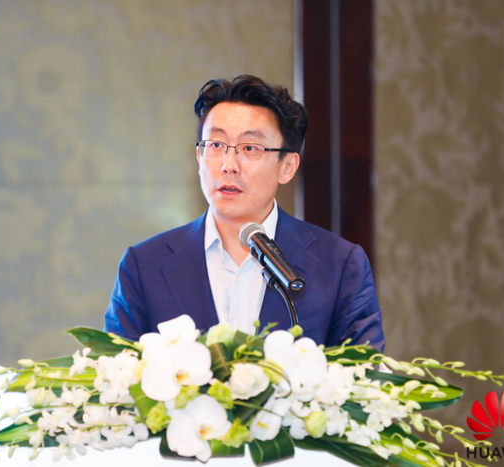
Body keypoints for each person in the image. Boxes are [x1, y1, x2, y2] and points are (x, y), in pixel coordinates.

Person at [104, 75, 385, 351]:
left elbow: (363, 373)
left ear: (287, 166)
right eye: (216, 145)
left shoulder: (339, 265)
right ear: (200, 157)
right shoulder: (144, 266)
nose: (229, 165)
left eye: (250, 148)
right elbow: (117, 372)